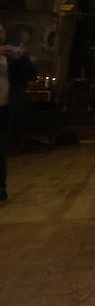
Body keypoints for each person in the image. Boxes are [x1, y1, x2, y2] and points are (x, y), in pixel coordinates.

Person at [0, 23, 37, 201]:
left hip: (4, 108)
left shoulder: (12, 56)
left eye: (1, 31)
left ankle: (0, 188)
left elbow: (30, 76)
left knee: (1, 149)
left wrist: (21, 59)